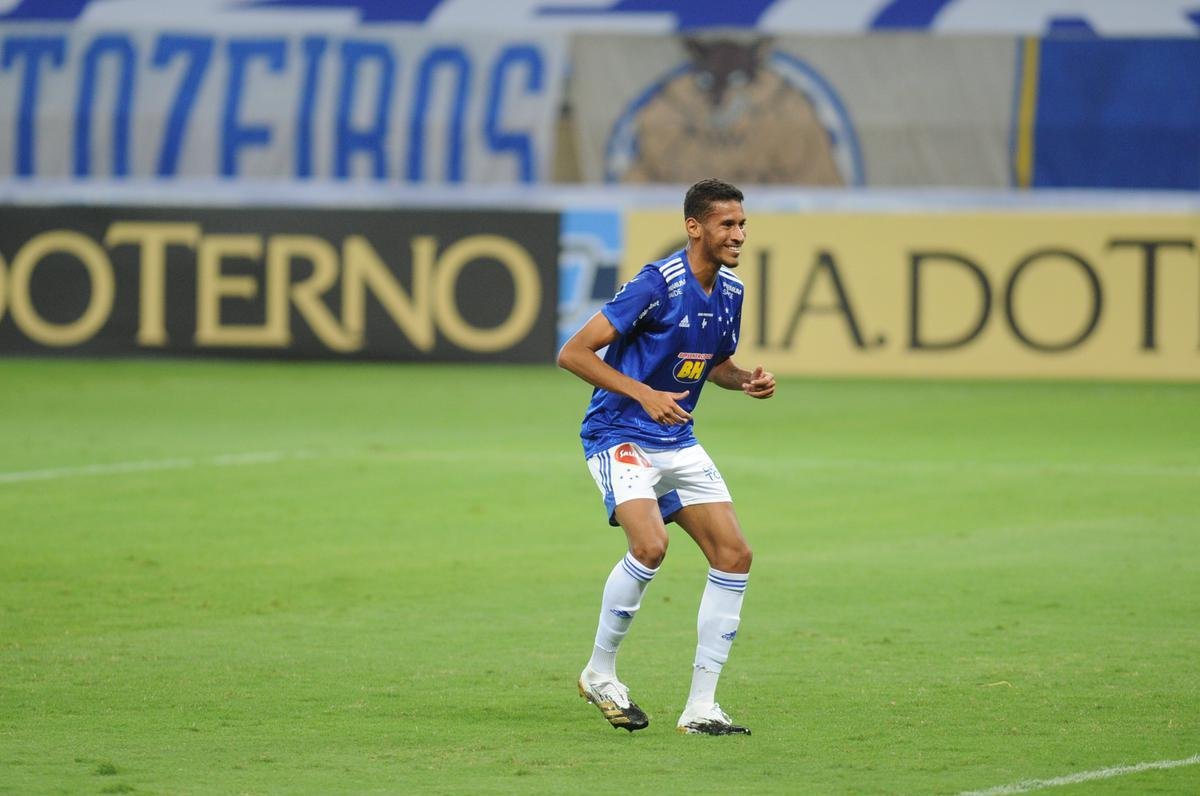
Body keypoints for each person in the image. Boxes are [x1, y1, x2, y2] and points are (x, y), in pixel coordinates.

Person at [557, 178, 775, 735]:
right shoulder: (656, 284)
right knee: (650, 545)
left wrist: (745, 379)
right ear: (694, 226)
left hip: (675, 439)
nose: (739, 235)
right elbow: (573, 352)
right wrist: (643, 393)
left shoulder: (732, 292)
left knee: (734, 554)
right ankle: (599, 673)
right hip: (619, 432)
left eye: (743, 224)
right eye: (728, 224)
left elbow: (713, 365)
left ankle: (701, 707)